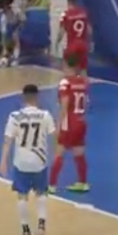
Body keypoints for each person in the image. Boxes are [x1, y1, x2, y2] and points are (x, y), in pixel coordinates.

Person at [0, 84, 55, 235]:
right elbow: (54, 136)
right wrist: (55, 154)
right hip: (39, 162)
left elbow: (7, 140)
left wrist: (3, 161)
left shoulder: (14, 116)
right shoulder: (45, 115)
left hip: (21, 162)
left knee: (22, 196)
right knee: (41, 193)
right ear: (37, 97)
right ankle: (41, 225)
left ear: (23, 97)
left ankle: (25, 230)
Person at [49, 54, 89, 193]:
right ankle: (82, 182)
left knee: (59, 152)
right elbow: (85, 102)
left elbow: (64, 105)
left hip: (69, 122)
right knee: (79, 152)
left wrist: (58, 125)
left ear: (65, 65)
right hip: (81, 121)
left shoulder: (65, 82)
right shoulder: (82, 82)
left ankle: (51, 185)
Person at [56, 0, 91, 75]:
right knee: (83, 70)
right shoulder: (83, 13)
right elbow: (89, 31)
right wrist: (88, 43)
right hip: (83, 45)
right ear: (76, 2)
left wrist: (57, 42)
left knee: (68, 70)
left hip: (72, 46)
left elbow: (61, 32)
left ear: (68, 2)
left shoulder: (65, 14)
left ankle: (70, 83)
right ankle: (83, 83)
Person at [0, 0, 25, 66]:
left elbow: (23, 21)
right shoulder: (3, 18)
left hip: (22, 30)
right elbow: (3, 34)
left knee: (15, 35)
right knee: (6, 40)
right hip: (11, 32)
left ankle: (16, 57)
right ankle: (7, 56)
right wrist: (4, 48)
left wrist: (18, 29)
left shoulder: (17, 11)